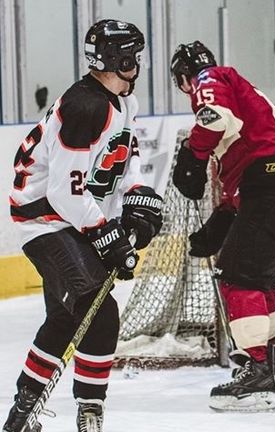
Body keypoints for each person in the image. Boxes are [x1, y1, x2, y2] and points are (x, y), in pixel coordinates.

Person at [3, 19, 161, 432]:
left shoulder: (122, 101)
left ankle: (23, 413)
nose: (138, 64)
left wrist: (139, 193)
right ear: (119, 58)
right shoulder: (85, 107)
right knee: (99, 310)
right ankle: (90, 409)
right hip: (46, 221)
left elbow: (123, 162)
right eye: (134, 57)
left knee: (66, 315)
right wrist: (101, 231)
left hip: (71, 219)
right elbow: (62, 192)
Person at [169, 41, 275, 412]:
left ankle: (255, 371)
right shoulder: (246, 97)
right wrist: (220, 223)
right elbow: (241, 179)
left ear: (183, 77)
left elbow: (213, 119)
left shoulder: (211, 77)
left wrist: (193, 157)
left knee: (239, 278)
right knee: (263, 278)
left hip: (274, 185)